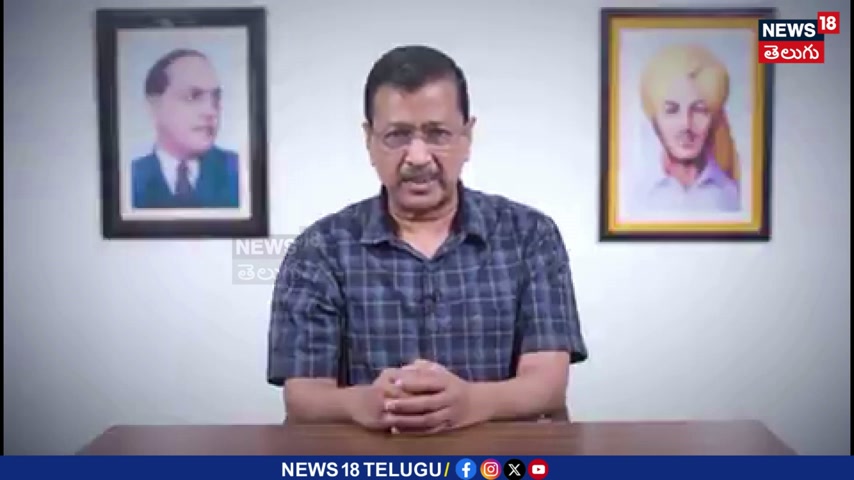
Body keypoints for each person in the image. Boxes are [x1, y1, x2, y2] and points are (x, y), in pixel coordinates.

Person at [266, 45, 588, 434]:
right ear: (369, 140)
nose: (418, 157)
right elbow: (303, 396)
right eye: (397, 135)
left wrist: (470, 403)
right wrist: (364, 403)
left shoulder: (531, 236)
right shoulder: (319, 250)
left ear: (467, 136)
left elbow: (547, 385)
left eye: (438, 134)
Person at [636, 44, 741, 213]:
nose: (686, 124)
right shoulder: (637, 194)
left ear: (714, 117)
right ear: (654, 119)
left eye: (699, 110)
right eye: (671, 110)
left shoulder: (731, 194)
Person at [131, 48, 239, 209]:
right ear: (154, 105)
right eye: (193, 96)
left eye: (215, 98)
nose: (211, 111)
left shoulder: (238, 172)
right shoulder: (131, 179)